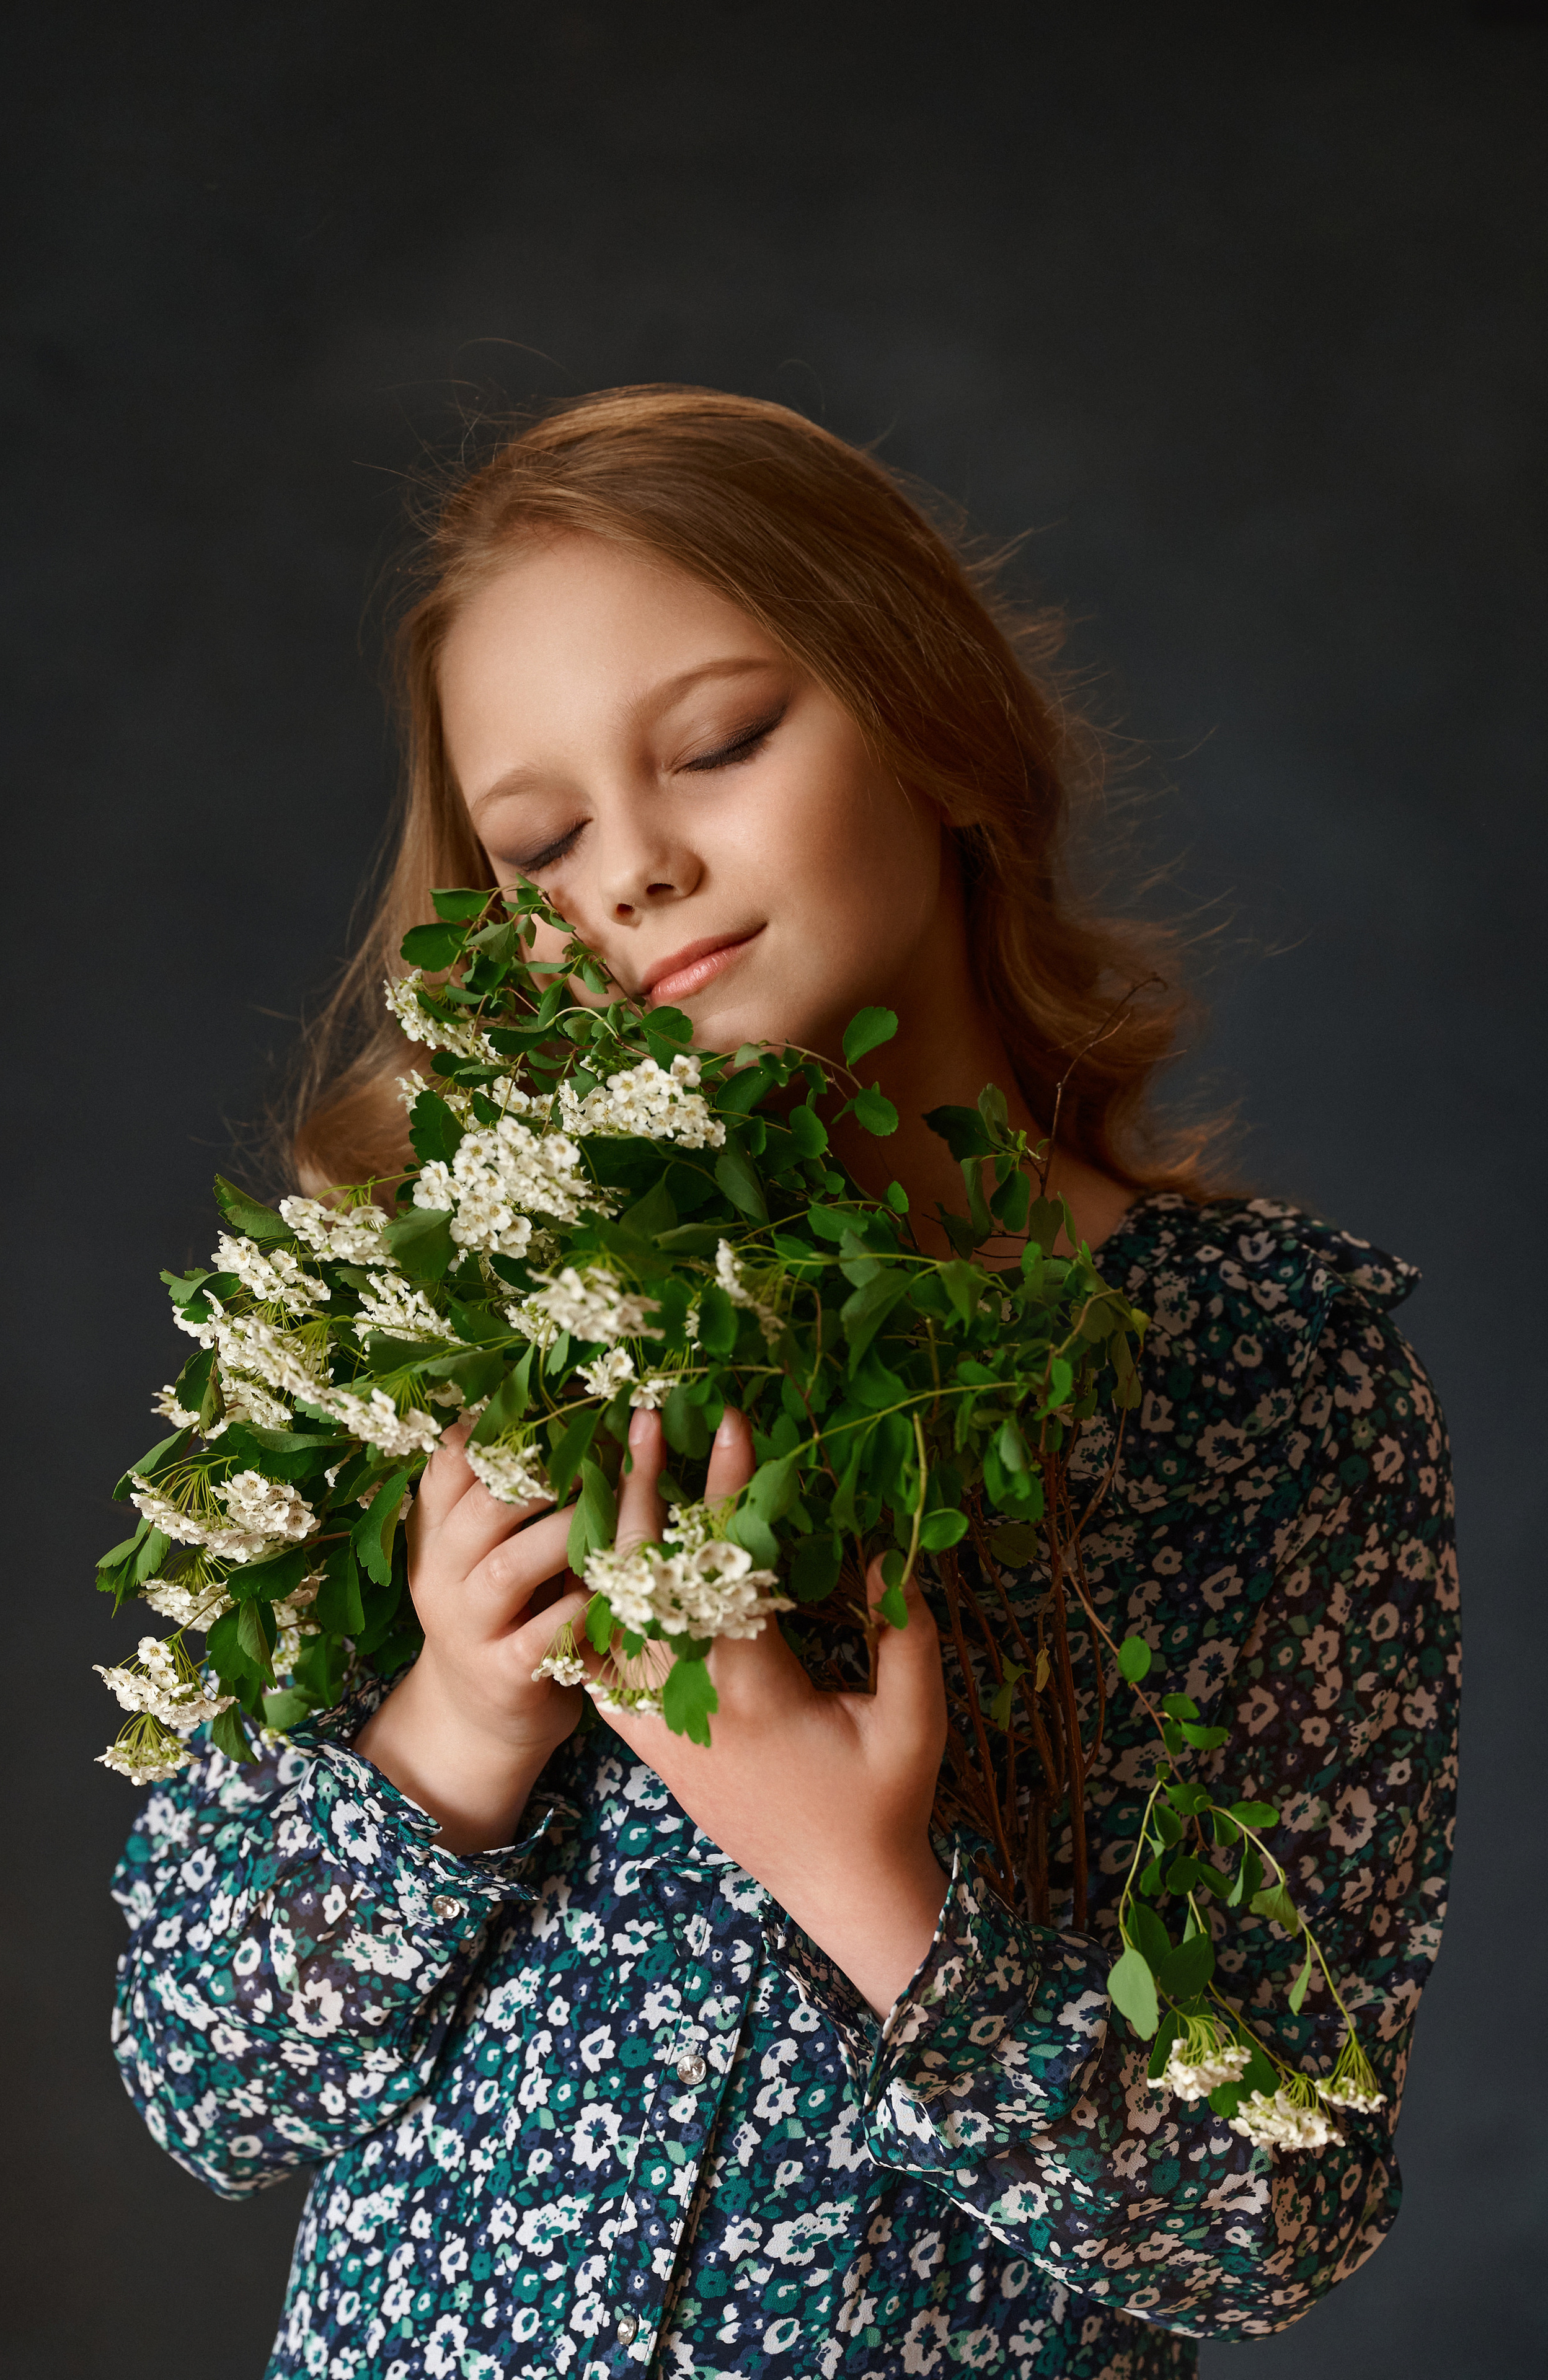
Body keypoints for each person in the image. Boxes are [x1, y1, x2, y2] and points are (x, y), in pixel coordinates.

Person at [110, 389, 1458, 2379]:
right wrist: (448, 1735)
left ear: (938, 728)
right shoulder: (438, 1328)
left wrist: (866, 1878)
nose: (635, 869)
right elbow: (205, 2087)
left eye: (721, 743)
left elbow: (1274, 2216)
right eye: (544, 839)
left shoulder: (1267, 1367)